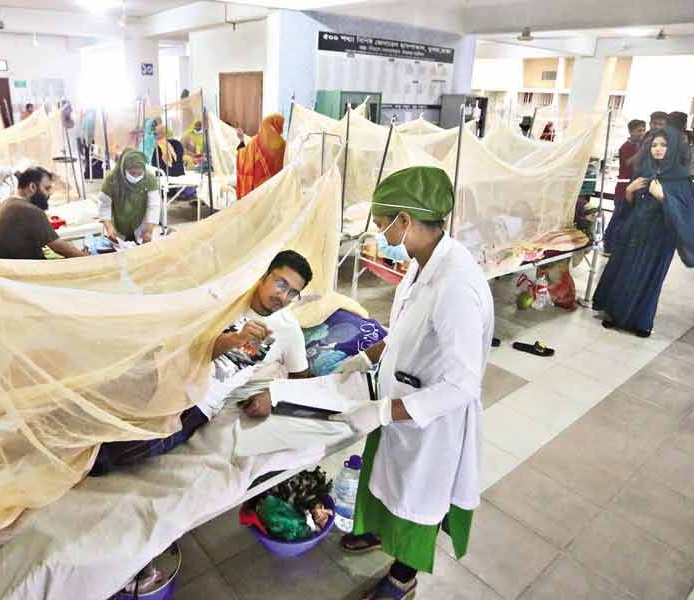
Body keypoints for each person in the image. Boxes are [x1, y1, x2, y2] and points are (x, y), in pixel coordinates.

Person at [327, 166, 494, 600]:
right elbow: (404, 332)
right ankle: (380, 535)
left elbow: (462, 386)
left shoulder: (456, 285)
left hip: (430, 421)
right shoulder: (422, 265)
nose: (380, 234)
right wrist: (366, 357)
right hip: (398, 402)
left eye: (383, 225)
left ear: (405, 221)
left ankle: (403, 577)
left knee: (419, 497)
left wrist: (382, 411)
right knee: (385, 479)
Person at [91, 250, 313, 476]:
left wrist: (272, 396)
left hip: (199, 402)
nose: (283, 297)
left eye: (293, 293)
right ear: (264, 275)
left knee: (119, 452)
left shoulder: (288, 330)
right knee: (99, 409)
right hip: (169, 372)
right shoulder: (228, 297)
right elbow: (193, 349)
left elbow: (302, 380)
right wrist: (238, 338)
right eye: (281, 284)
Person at [593, 127, 694, 337]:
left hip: (659, 239)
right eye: (654, 145)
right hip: (634, 233)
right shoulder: (644, 171)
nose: (658, 149)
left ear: (674, 148)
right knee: (625, 273)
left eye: (664, 145)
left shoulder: (681, 178)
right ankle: (615, 315)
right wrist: (630, 191)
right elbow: (631, 207)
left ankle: (641, 322)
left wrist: (663, 198)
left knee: (649, 277)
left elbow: (686, 214)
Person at [0, 167, 86, 259]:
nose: (50, 193)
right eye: (47, 188)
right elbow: (60, 247)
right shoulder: (28, 210)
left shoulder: (8, 202)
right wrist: (89, 259)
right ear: (32, 187)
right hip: (18, 274)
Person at [99, 149, 161, 244]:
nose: (136, 177)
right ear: (123, 169)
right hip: (117, 223)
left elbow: (153, 206)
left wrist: (148, 231)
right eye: (132, 173)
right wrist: (109, 228)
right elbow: (104, 205)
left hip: (140, 223)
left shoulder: (149, 179)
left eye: (139, 173)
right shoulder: (112, 179)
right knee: (117, 250)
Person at [603, 118, 647, 254]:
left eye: (643, 130)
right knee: (618, 218)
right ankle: (608, 245)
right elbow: (628, 164)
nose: (641, 133)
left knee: (625, 220)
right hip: (623, 189)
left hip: (633, 189)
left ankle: (617, 245)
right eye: (638, 130)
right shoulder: (626, 147)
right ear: (631, 131)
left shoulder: (639, 146)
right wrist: (643, 151)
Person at [235, 114, 286, 199]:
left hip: (258, 190)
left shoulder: (256, 141)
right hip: (275, 190)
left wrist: (241, 140)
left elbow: (243, 157)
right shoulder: (283, 144)